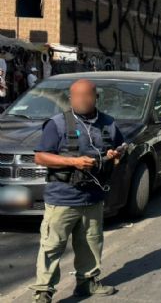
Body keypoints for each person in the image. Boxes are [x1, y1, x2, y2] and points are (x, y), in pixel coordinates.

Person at [30, 79, 125, 303]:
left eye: (86, 96)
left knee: (91, 242)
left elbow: (119, 147)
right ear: (70, 99)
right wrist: (73, 162)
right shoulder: (57, 124)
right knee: (52, 246)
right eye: (76, 96)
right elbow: (40, 157)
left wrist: (115, 155)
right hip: (63, 198)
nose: (81, 100)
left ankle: (87, 283)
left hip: (93, 197)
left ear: (96, 98)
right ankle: (44, 292)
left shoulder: (108, 124)